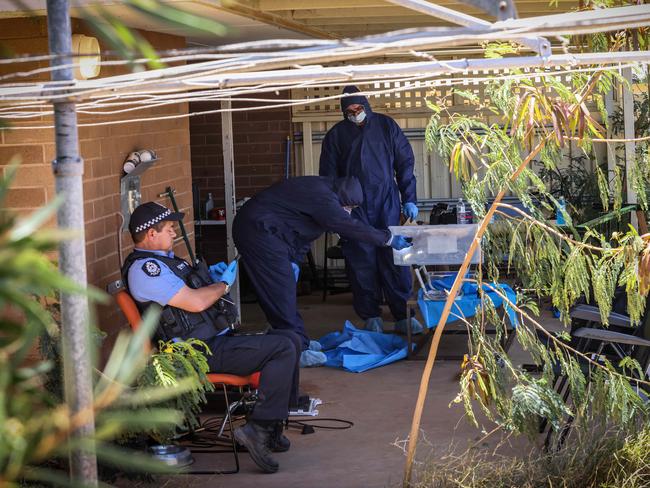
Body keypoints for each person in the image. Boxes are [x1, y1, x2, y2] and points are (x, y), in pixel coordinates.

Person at [123, 201, 301, 474]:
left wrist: (210, 279)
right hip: (193, 354)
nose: (174, 233)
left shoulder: (166, 261)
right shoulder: (147, 269)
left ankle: (271, 425)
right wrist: (223, 285)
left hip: (209, 342)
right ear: (150, 234)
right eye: (169, 228)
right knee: (282, 348)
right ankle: (259, 429)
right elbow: (194, 303)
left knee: (291, 338)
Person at [232, 176, 413, 367]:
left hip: (270, 232)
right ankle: (297, 350)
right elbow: (348, 226)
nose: (348, 212)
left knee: (283, 292)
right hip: (257, 231)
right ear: (342, 199)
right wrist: (388, 238)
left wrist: (294, 261)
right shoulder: (323, 198)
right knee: (281, 294)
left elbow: (302, 236)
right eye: (348, 208)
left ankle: (298, 341)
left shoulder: (323, 194)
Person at [319, 85, 424, 335]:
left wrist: (409, 198)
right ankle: (371, 316)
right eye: (350, 111)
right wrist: (336, 208)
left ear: (366, 106)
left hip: (387, 202)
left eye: (358, 108)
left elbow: (405, 163)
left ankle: (403, 316)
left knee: (395, 259)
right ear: (343, 111)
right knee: (361, 261)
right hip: (354, 208)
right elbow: (328, 176)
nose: (355, 113)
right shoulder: (335, 135)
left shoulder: (387, 127)